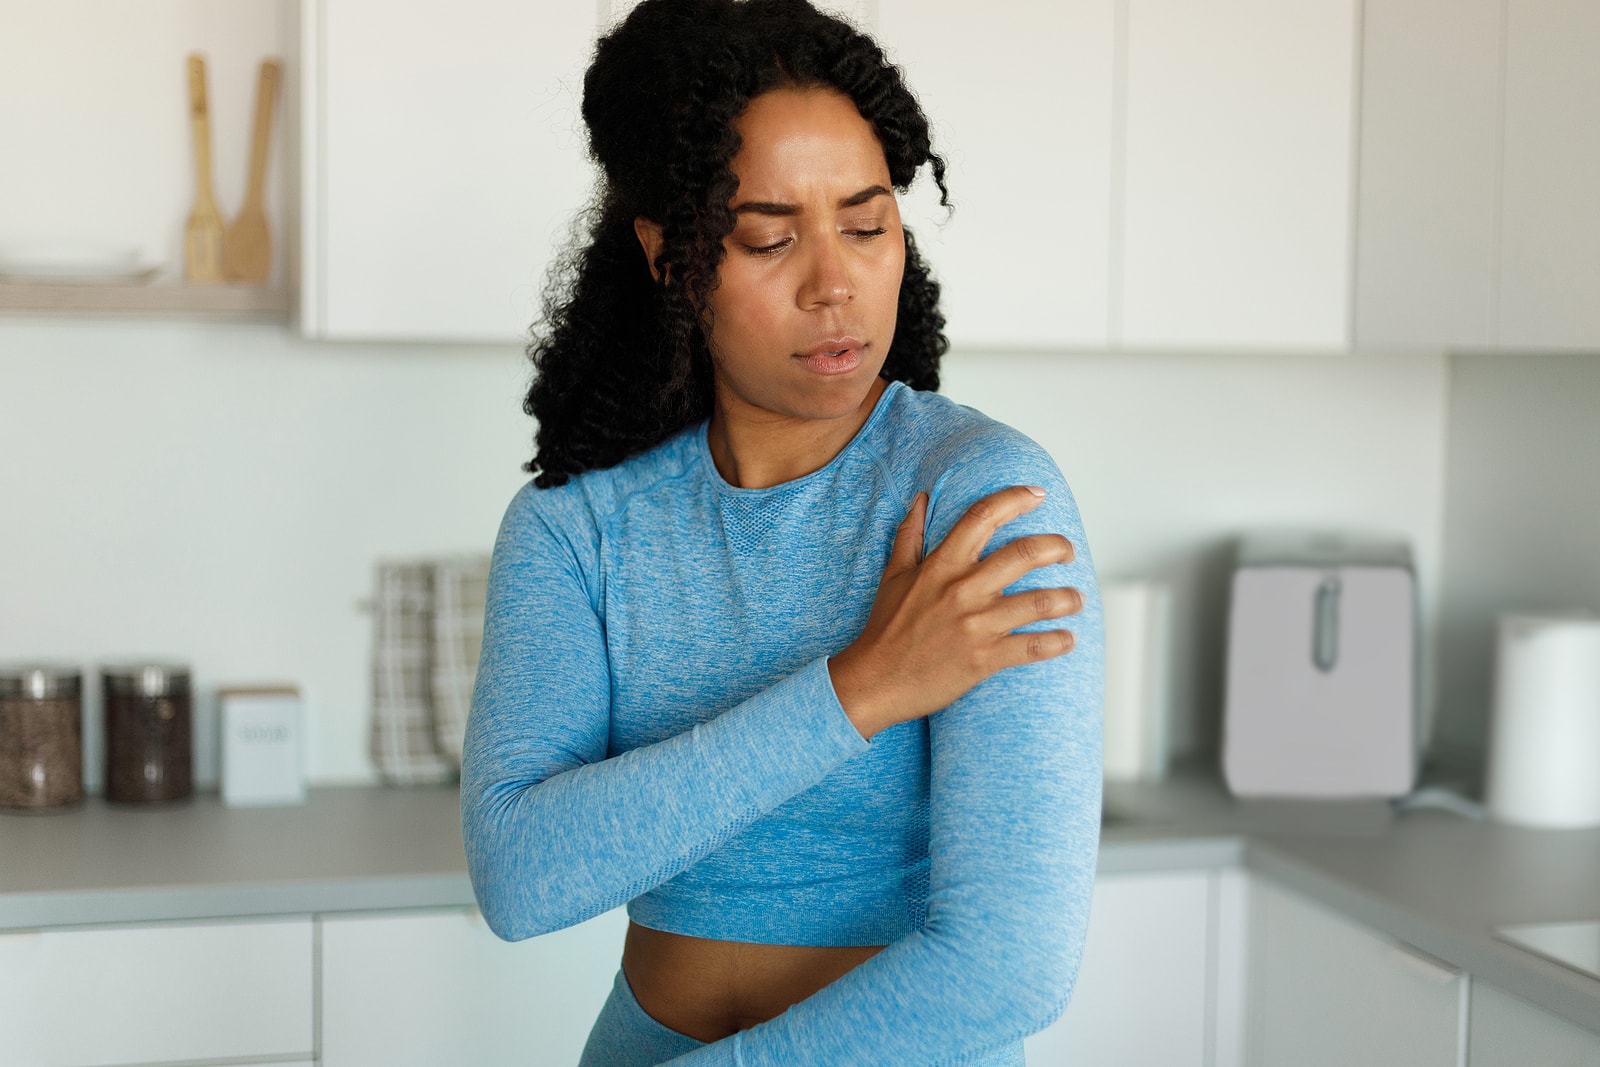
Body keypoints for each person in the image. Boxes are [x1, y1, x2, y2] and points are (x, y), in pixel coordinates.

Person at [459, 0, 1105, 1063]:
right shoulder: (579, 524)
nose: (835, 283)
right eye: (767, 237)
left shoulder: (978, 499)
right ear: (669, 257)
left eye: (866, 224)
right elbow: (523, 879)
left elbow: (1010, 961)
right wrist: (861, 690)